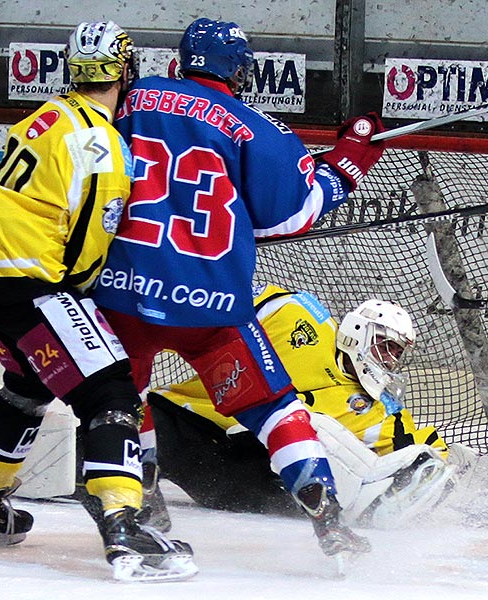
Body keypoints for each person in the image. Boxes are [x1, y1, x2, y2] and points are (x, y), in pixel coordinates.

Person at [89, 18, 385, 563]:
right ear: (240, 71)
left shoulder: (130, 100)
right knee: (273, 408)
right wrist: (344, 167)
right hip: (210, 301)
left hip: (121, 290)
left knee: (121, 401)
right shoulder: (257, 128)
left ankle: (145, 499)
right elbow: (291, 216)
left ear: (180, 60)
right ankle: (328, 516)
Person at [0, 21, 197, 581]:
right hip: (24, 279)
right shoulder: (106, 148)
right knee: (109, 386)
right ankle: (123, 527)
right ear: (124, 70)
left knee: (31, 383)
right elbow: (85, 256)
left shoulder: (48, 114)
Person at [146, 285, 458, 527]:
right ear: (357, 331)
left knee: (306, 425)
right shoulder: (299, 315)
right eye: (386, 345)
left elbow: (427, 453)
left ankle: (364, 508)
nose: (389, 359)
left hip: (239, 476)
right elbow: (225, 298)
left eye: (396, 353)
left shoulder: (377, 409)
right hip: (187, 421)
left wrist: (443, 473)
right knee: (119, 441)